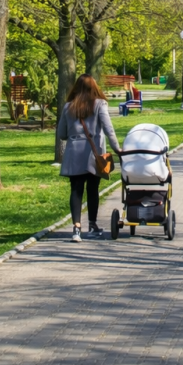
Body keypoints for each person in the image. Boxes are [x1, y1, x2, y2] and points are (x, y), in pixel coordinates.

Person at [56, 74, 120, 241]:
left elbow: (62, 134)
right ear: (94, 87)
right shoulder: (100, 104)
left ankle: (76, 228)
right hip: (94, 153)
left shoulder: (68, 107)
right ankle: (92, 225)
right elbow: (109, 130)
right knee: (93, 190)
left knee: (76, 190)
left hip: (73, 154)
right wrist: (117, 149)